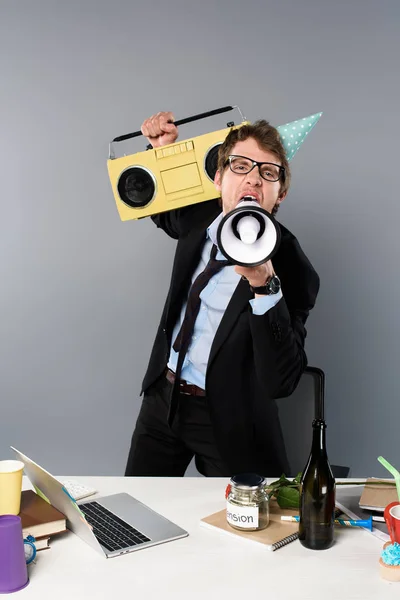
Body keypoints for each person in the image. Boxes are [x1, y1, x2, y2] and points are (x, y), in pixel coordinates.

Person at [125, 111, 320, 478]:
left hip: (230, 418)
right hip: (163, 400)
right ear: (218, 177)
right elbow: (164, 212)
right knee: (137, 512)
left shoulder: (293, 268)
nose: (253, 178)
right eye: (241, 166)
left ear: (280, 194)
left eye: (268, 172)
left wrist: (265, 286)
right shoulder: (198, 219)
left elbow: (282, 380)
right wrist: (162, 151)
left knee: (238, 529)